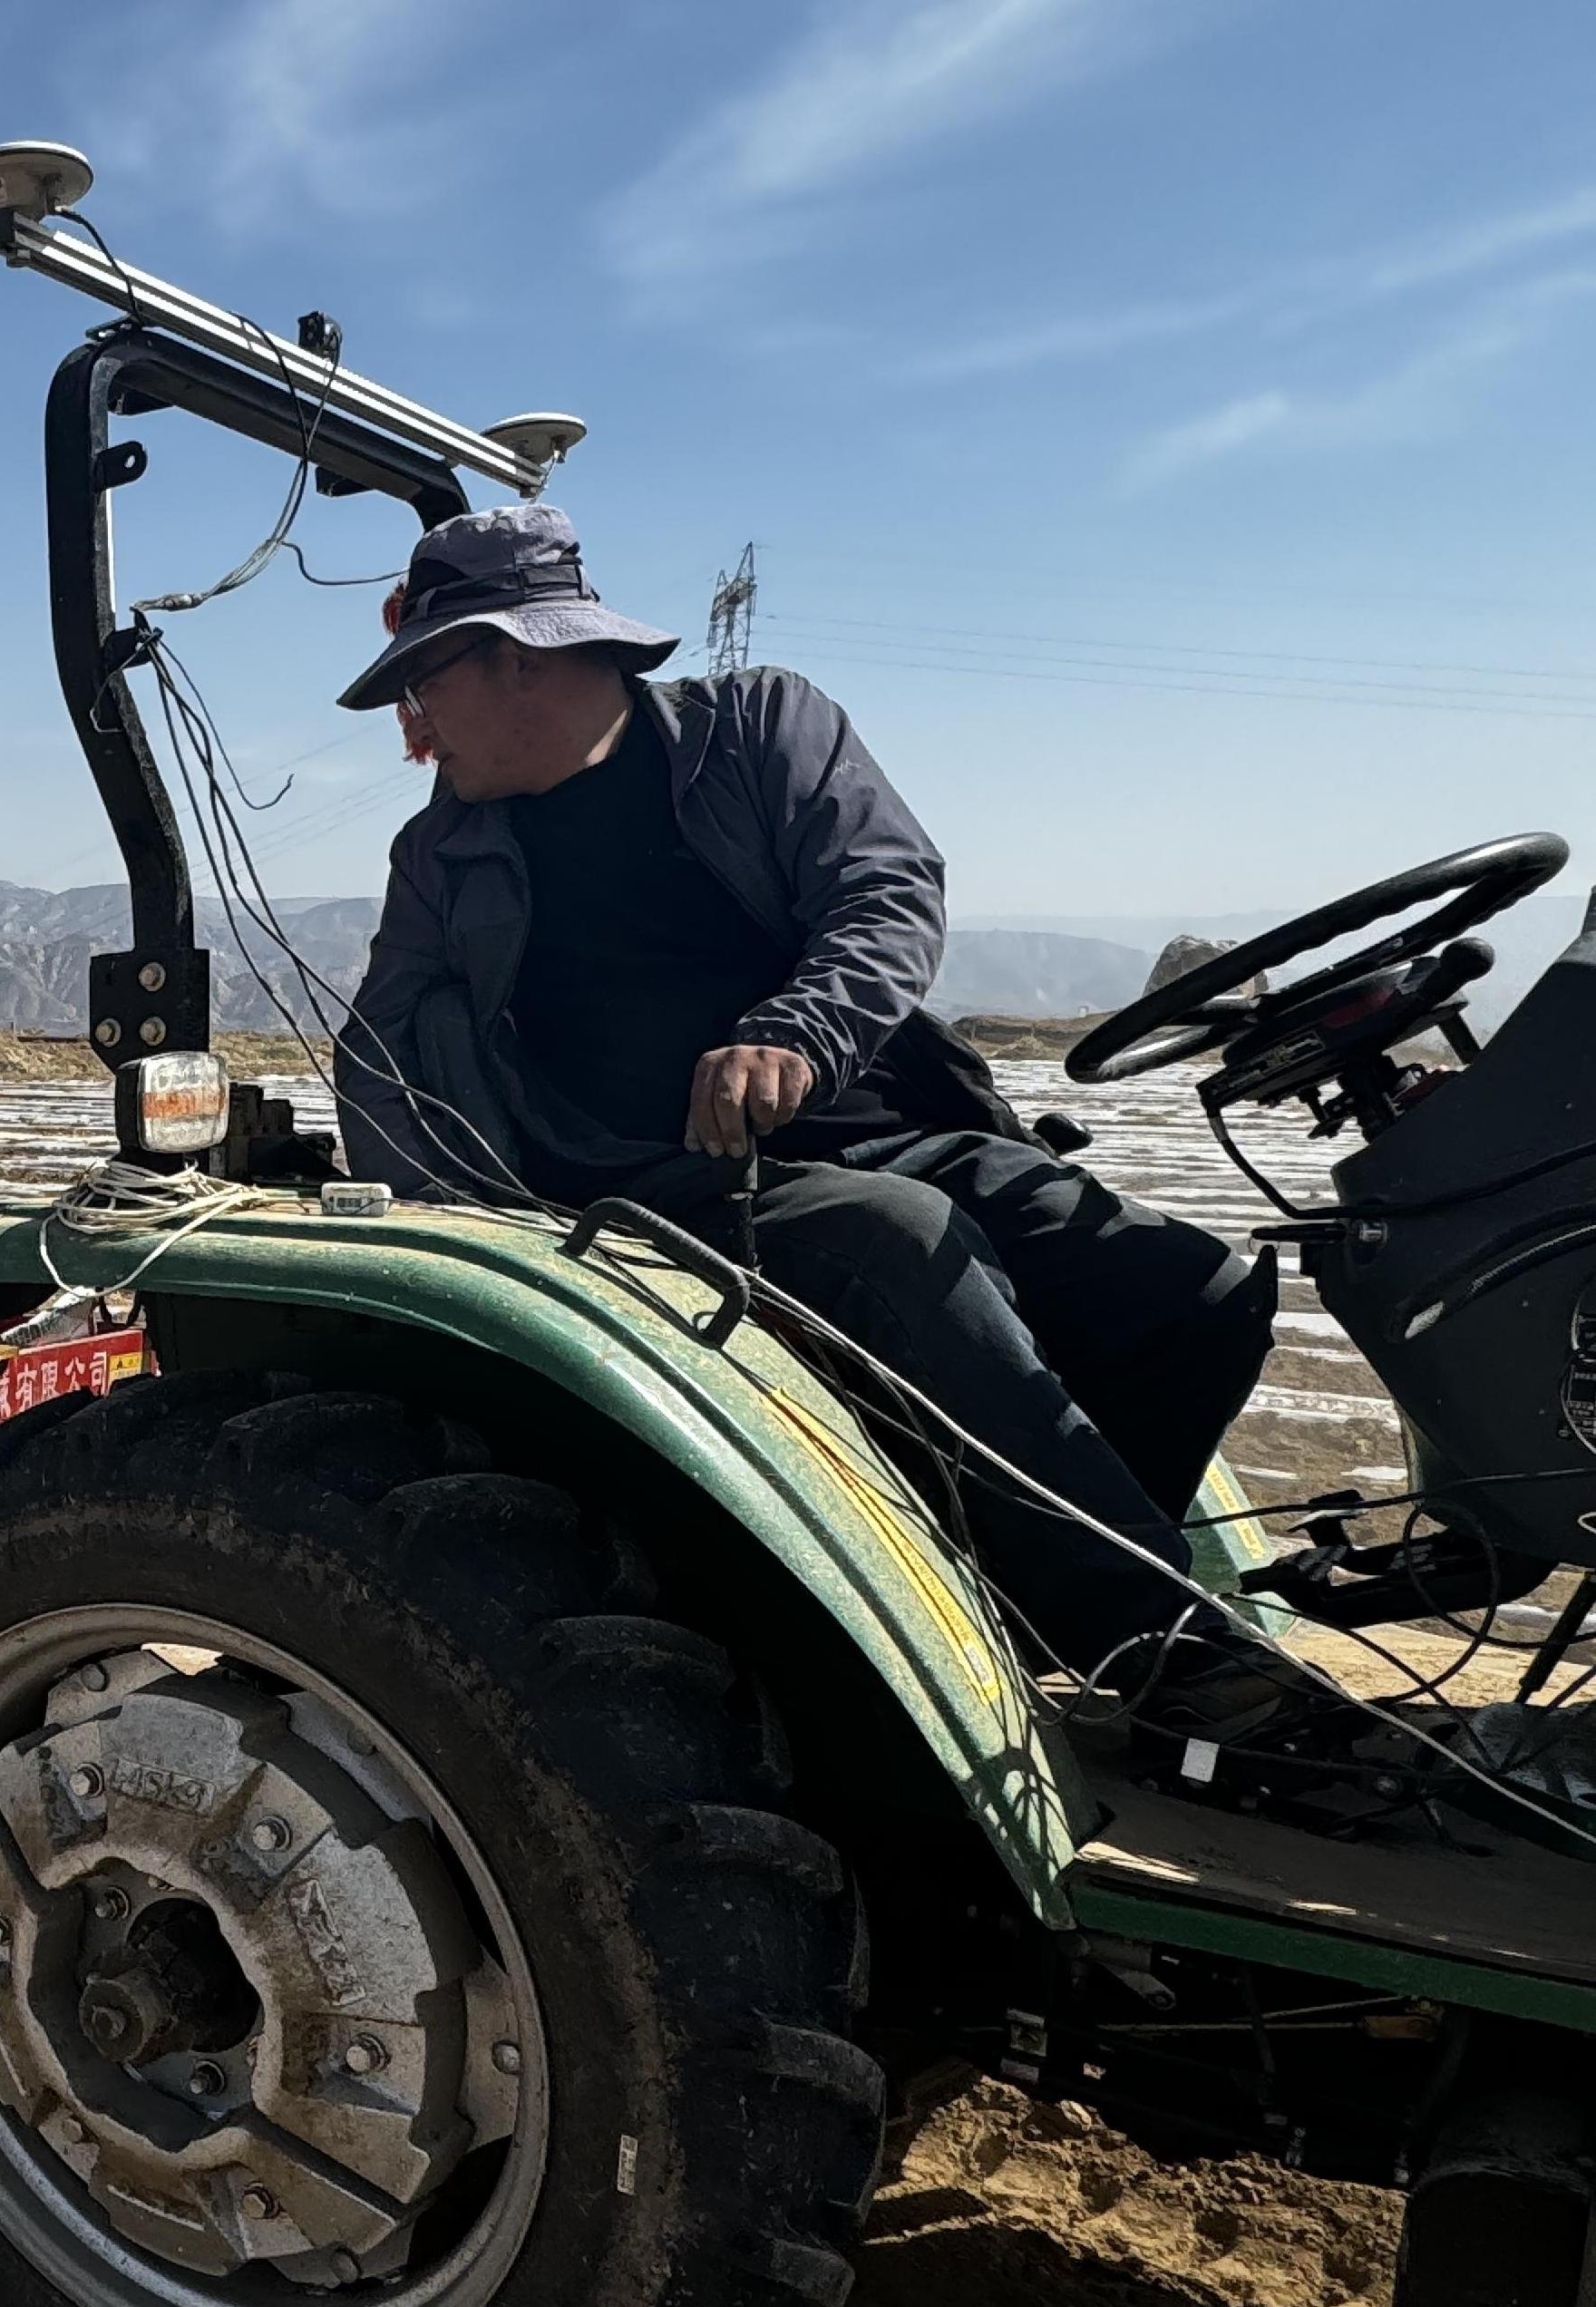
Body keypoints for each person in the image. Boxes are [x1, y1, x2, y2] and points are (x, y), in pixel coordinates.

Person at [326, 503, 1279, 1713]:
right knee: (893, 1237)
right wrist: (434, 1220)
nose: (415, 721)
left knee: (1186, 1290)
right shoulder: (443, 853)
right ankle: (1163, 1660)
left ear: (517, 653)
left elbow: (885, 893)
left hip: (884, 1125)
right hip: (638, 1178)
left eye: (426, 676)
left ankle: (1029, 1596)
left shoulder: (760, 732)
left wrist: (796, 1034)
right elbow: (383, 1044)